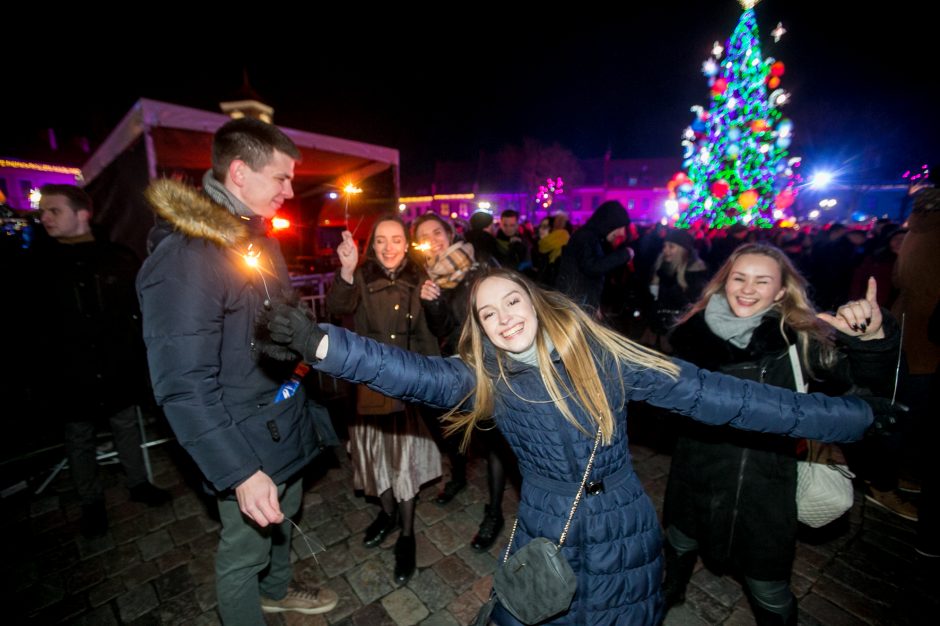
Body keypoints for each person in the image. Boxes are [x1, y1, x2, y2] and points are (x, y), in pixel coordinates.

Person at [261, 267, 884, 626]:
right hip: (545, 525)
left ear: (534, 301)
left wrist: (856, 419)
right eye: (487, 315)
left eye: (512, 302)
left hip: (622, 529)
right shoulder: (490, 378)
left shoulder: (605, 356)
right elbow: (409, 372)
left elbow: (732, 400)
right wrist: (322, 344)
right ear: (477, 328)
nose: (504, 319)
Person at [136, 118, 339, 624]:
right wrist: (241, 472)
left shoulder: (258, 239)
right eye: (282, 179)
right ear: (240, 172)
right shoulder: (187, 257)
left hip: (279, 421)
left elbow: (270, 327)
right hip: (242, 442)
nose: (291, 191)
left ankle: (277, 589)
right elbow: (183, 386)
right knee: (242, 554)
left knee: (284, 519)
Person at [660, 244, 898, 625]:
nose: (747, 288)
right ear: (723, 283)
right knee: (678, 550)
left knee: (769, 589)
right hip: (694, 475)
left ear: (782, 291)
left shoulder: (801, 339)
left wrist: (871, 344)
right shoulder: (689, 337)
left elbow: (864, 400)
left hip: (765, 488)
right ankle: (666, 602)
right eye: (739, 277)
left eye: (762, 280)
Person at [30, 184, 171, 538]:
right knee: (79, 436)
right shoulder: (38, 264)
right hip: (70, 370)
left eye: (54, 210)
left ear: (82, 214)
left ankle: (138, 483)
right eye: (43, 212)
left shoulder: (117, 257)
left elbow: (140, 310)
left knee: (125, 424)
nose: (44, 218)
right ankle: (90, 502)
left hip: (115, 365)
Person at [326, 217, 441, 584]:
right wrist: (345, 270)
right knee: (375, 459)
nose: (389, 248)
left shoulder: (419, 282)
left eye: (396, 240)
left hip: (405, 387)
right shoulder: (360, 276)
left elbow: (429, 337)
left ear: (407, 245)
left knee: (403, 464)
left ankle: (406, 535)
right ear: (372, 246)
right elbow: (336, 305)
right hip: (367, 388)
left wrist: (432, 384)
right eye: (380, 241)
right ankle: (387, 515)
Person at [414, 213, 513, 552]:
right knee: (454, 429)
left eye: (437, 232)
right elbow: (443, 330)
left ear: (449, 232)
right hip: (456, 367)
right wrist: (433, 303)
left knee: (494, 439)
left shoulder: (479, 264)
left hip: (488, 363)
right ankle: (457, 477)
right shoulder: (430, 277)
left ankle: (495, 512)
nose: (434, 239)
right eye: (425, 236)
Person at [556, 200, 633, 314]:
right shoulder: (585, 237)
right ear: (609, 223)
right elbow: (591, 267)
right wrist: (624, 254)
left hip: (579, 304)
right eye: (620, 227)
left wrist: (594, 304)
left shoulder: (592, 237)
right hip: (575, 306)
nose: (622, 233)